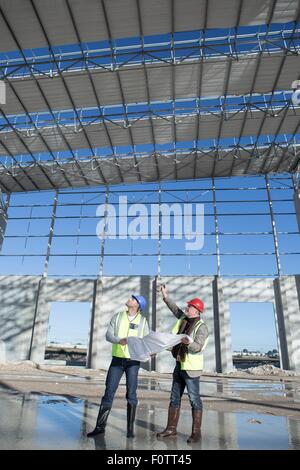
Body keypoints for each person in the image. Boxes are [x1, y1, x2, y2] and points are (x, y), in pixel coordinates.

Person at [87, 295, 149, 438]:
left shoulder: (143, 321)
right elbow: (108, 335)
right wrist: (118, 340)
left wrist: (149, 352)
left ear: (138, 305)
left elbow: (147, 341)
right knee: (109, 392)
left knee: (131, 394)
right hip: (117, 361)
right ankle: (100, 427)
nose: (130, 299)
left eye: (133, 299)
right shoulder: (118, 316)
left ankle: (129, 430)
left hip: (133, 362)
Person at [156, 284, 209, 443]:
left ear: (197, 311)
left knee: (194, 400)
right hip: (179, 365)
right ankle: (171, 429)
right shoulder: (183, 320)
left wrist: (187, 342)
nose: (187, 308)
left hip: (192, 370)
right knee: (174, 398)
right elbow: (175, 309)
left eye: (190, 306)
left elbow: (198, 347)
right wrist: (165, 296)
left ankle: (196, 433)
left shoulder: (202, 327)